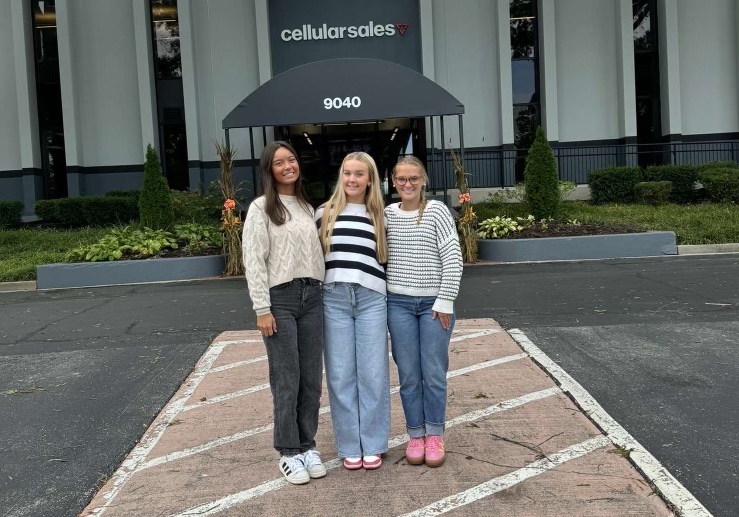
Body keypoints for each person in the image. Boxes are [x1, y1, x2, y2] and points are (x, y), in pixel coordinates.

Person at [242, 141, 327, 485]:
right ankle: (289, 452)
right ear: (269, 170)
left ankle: (307, 444)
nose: (288, 166)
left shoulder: (307, 207)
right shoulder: (260, 208)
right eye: (279, 162)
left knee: (311, 378)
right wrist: (262, 308)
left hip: (313, 297)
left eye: (291, 159)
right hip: (281, 300)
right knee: (286, 377)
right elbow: (254, 261)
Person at [385, 155, 463, 468]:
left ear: (423, 181)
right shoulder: (389, 214)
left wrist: (445, 299)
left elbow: (453, 258)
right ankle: (415, 434)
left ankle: (435, 434)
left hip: (434, 305)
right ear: (393, 182)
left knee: (433, 373)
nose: (407, 184)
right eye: (401, 179)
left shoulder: (437, 212)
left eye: (413, 178)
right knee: (408, 375)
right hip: (398, 304)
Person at [315, 152, 390, 471]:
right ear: (340, 176)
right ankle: (349, 445)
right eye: (347, 173)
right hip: (334, 298)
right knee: (340, 374)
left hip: (372, 297)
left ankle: (372, 443)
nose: (352, 179)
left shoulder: (381, 216)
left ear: (370, 179)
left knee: (373, 374)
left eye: (359, 174)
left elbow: (389, 261)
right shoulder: (323, 213)